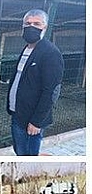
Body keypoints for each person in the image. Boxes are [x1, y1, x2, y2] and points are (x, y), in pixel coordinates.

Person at [6, 9, 64, 156]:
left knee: (29, 155)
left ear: (44, 27)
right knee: (20, 151)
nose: (31, 26)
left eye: (36, 23)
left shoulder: (50, 53)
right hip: (17, 113)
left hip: (31, 119)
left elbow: (51, 91)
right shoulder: (27, 49)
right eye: (28, 23)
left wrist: (37, 121)